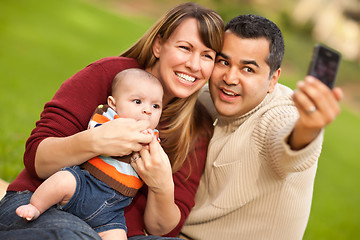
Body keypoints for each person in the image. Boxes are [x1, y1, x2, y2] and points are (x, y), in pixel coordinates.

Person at [0, 2, 224, 240]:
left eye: (207, 55)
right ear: (159, 45)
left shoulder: (196, 127)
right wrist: (95, 141)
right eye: (185, 48)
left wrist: (162, 186)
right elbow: (36, 158)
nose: (194, 65)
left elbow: (163, 229)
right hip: (45, 205)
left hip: (115, 228)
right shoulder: (110, 75)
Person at [180, 14, 343, 239]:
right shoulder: (204, 98)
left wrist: (308, 127)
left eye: (248, 69)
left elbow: (291, 144)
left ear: (273, 79)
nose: (230, 78)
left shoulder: (281, 114)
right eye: (224, 62)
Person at [15, 68, 163, 240]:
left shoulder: (153, 138)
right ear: (113, 104)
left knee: (118, 235)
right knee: (63, 180)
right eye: (137, 102)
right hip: (84, 185)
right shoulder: (107, 118)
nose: (148, 111)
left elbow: (154, 164)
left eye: (155, 106)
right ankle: (36, 206)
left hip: (112, 210)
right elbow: (96, 132)